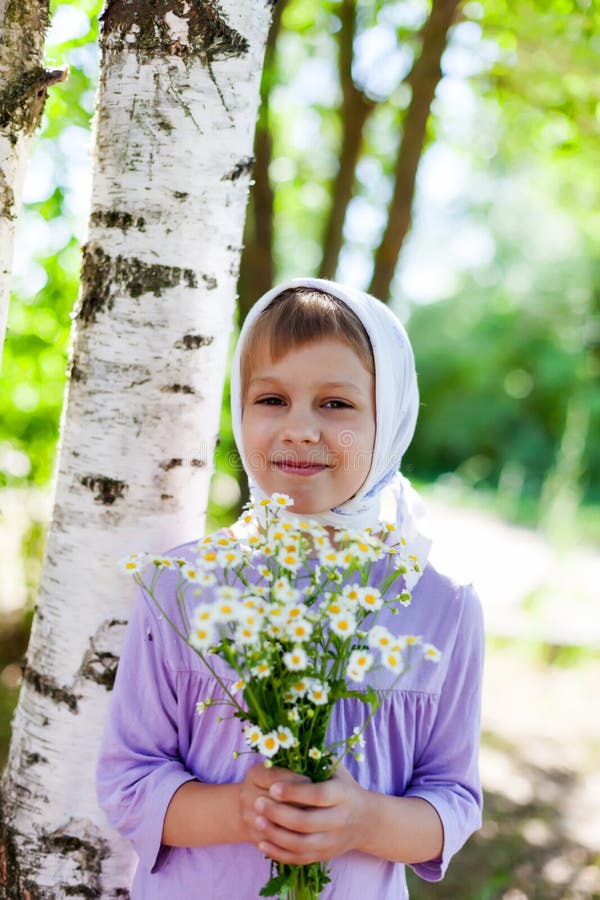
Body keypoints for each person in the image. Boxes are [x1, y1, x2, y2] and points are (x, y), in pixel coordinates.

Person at [96, 277, 484, 899]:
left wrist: (364, 819)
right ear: (239, 410)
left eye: (336, 404)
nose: (300, 428)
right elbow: (128, 780)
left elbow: (454, 802)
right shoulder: (180, 586)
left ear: (390, 421)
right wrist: (239, 811)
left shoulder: (441, 602)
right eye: (271, 399)